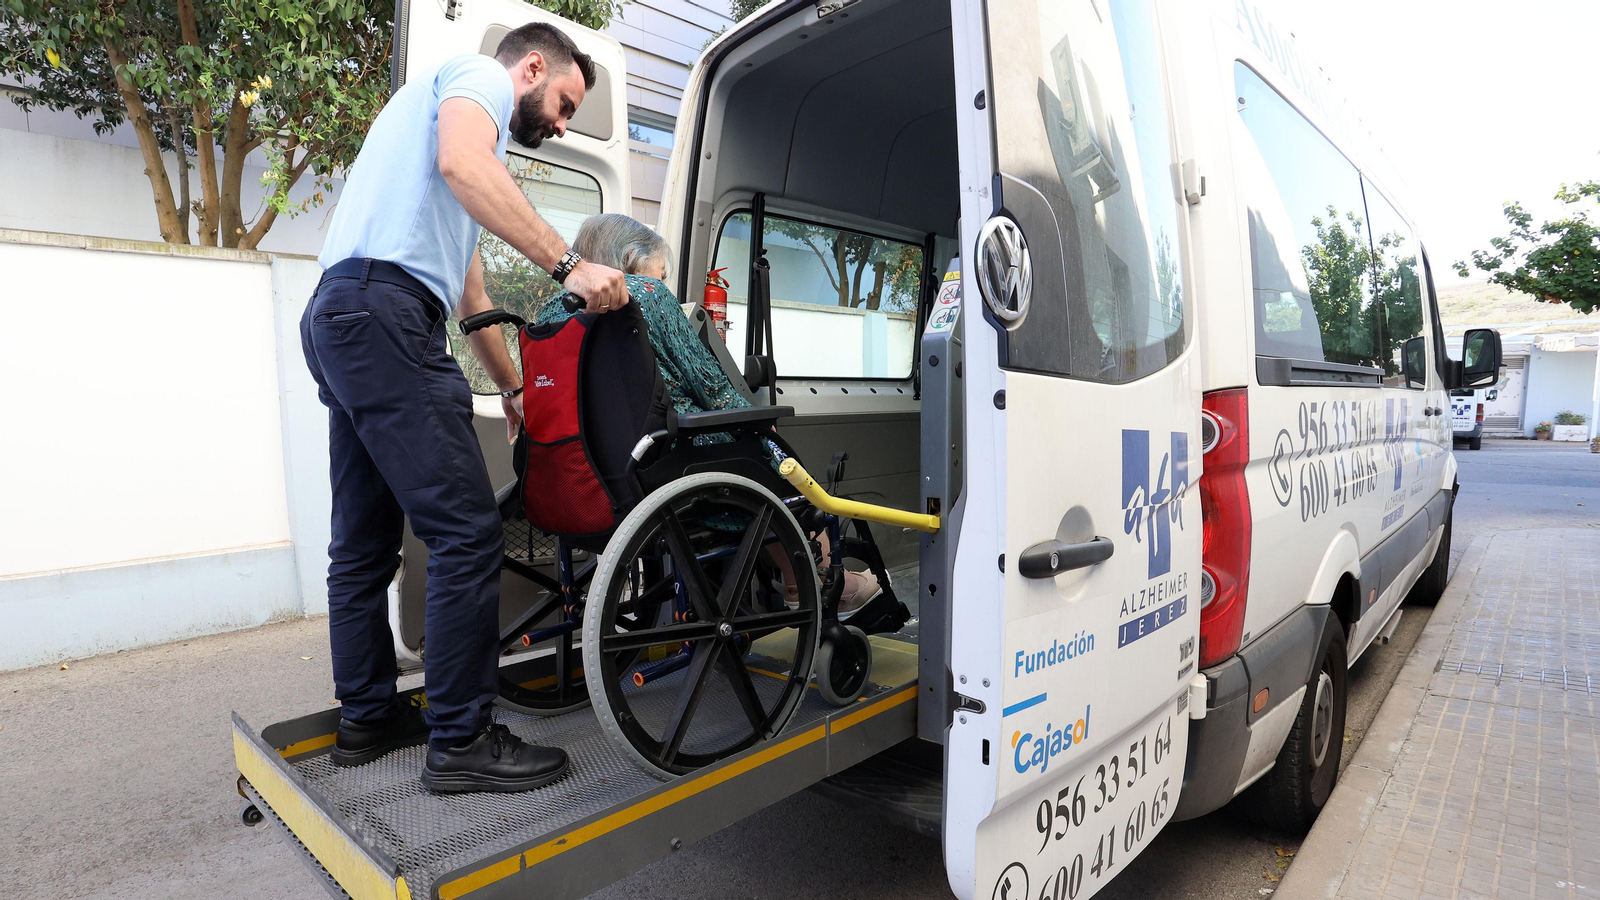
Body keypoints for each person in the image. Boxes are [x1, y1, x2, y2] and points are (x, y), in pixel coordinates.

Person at [301, 22, 630, 794]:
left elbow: (471, 294)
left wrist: (512, 389)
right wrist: (569, 265)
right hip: (383, 315)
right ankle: (461, 740)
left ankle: (369, 717)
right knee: (467, 530)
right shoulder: (479, 77)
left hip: (340, 315)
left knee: (362, 541)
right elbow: (463, 163)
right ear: (534, 67)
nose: (561, 124)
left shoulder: (434, 144)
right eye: (565, 104)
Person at [543, 214, 884, 615]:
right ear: (631, 258)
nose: (662, 282)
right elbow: (714, 389)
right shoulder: (647, 295)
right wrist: (759, 421)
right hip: (667, 465)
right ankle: (813, 582)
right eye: (661, 273)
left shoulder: (553, 310)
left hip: (594, 473)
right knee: (771, 453)